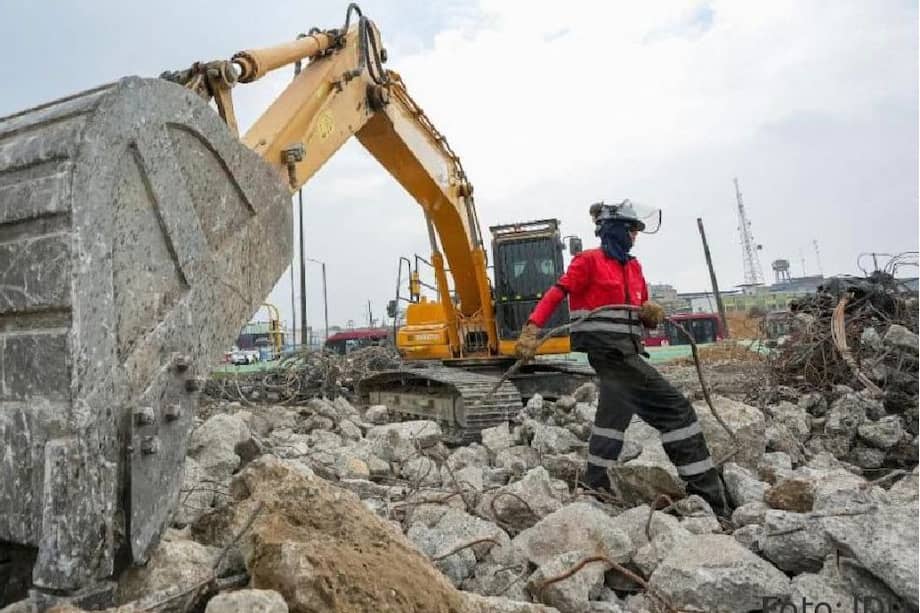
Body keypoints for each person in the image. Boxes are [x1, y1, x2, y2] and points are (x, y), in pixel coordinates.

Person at [514, 200, 731, 518]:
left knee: (612, 419)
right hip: (607, 352)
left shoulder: (634, 268)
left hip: (628, 351)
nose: (634, 237)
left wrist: (649, 313)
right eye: (631, 230)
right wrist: (532, 327)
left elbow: (639, 308)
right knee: (677, 411)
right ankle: (708, 498)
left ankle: (594, 482)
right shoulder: (587, 262)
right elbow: (557, 293)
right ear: (615, 230)